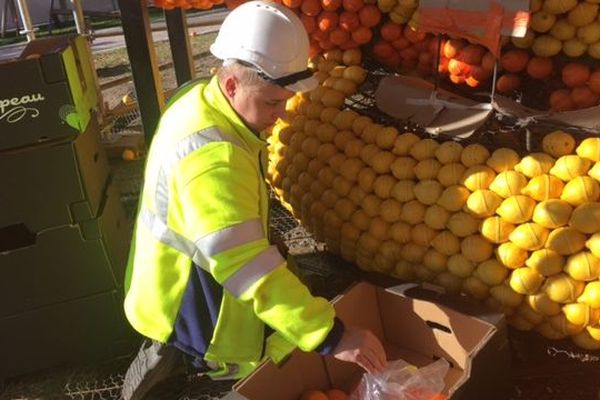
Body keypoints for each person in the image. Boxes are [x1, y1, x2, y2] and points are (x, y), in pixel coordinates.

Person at [121, 2, 387, 399]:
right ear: (232, 85)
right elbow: (246, 267)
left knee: (159, 365)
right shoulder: (215, 158)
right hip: (187, 302)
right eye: (272, 102)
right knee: (186, 372)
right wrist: (331, 335)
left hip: (163, 281)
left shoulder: (201, 99)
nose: (281, 115)